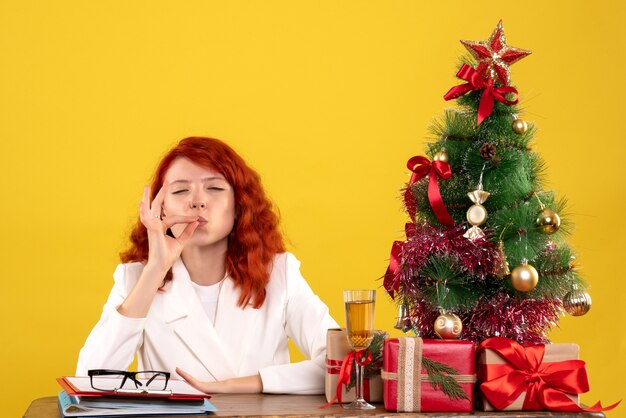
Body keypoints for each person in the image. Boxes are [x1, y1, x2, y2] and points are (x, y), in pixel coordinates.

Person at [76, 136, 339, 394]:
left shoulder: (280, 273)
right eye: (180, 190)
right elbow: (90, 380)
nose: (198, 201)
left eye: (214, 188)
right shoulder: (135, 278)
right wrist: (155, 269)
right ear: (161, 210)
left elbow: (342, 366)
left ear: (239, 206)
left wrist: (238, 386)